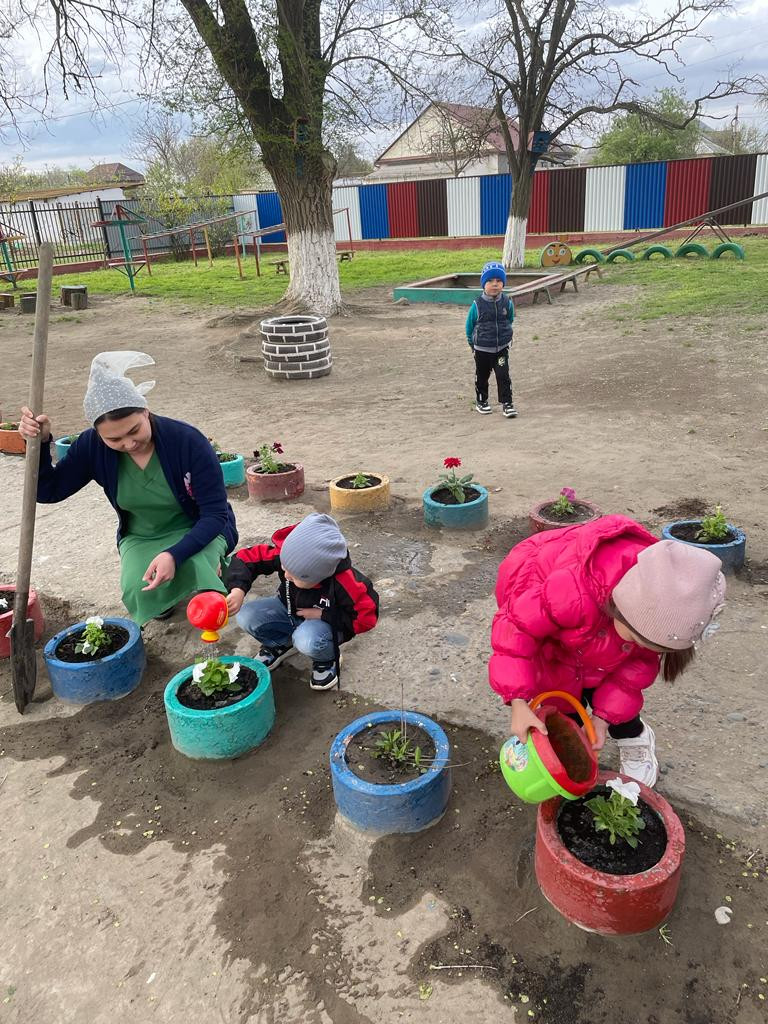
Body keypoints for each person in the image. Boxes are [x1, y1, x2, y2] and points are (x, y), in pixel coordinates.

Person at [489, 515, 726, 786]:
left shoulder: (661, 614)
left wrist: (601, 720)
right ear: (619, 606)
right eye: (635, 638)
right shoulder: (570, 592)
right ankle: (564, 743)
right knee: (560, 696)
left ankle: (635, 736)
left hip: (591, 631)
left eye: (649, 647)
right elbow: (514, 633)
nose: (639, 648)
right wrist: (518, 702)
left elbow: (630, 678)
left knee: (616, 699)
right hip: (543, 614)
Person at [18, 351, 237, 626]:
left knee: (199, 570)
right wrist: (39, 442)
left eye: (135, 430)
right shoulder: (91, 447)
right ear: (98, 433)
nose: (129, 443)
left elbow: (215, 515)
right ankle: (169, 594)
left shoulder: (186, 441)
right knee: (138, 589)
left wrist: (173, 553)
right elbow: (48, 491)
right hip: (143, 535)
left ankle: (211, 569)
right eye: (115, 439)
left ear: (145, 411)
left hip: (198, 526)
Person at [225, 513, 379, 691]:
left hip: (323, 625)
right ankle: (280, 643)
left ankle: (326, 659)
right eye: (284, 567)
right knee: (247, 615)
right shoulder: (290, 555)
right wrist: (238, 589)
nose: (286, 575)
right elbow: (247, 558)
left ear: (320, 576)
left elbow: (367, 617)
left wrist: (325, 615)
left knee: (306, 640)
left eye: (295, 575)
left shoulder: (346, 583)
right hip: (288, 609)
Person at [465, 260, 517, 418]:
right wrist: (471, 343)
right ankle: (481, 401)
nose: (494, 284)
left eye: (499, 281)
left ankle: (507, 404)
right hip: (482, 349)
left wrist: (505, 335)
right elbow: (469, 325)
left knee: (503, 375)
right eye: (490, 281)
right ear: (483, 284)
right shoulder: (477, 305)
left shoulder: (507, 302)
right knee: (482, 376)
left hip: (501, 348)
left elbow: (510, 319)